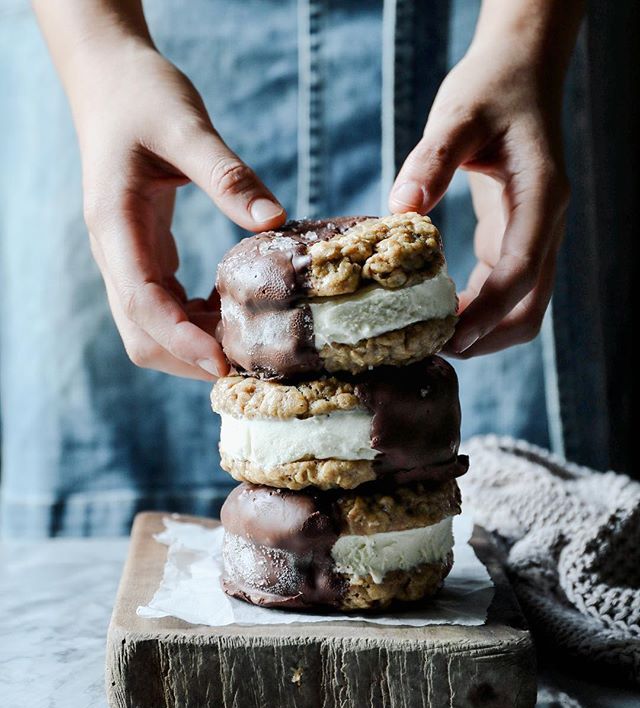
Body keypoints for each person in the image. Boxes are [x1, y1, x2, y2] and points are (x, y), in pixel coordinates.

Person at [0, 0, 633, 537]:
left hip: (485, 52)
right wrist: (101, 54)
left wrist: (527, 34)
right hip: (142, 56)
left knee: (522, 555)